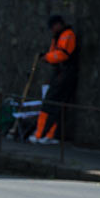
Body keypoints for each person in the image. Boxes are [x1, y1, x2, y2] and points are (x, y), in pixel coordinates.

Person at [29, 15, 78, 145]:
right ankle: (49, 134)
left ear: (58, 24)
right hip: (61, 73)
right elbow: (55, 52)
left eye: (52, 27)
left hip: (64, 73)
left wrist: (47, 57)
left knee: (50, 103)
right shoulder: (58, 36)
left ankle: (41, 134)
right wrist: (47, 56)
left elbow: (62, 54)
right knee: (55, 105)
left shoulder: (67, 35)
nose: (52, 30)